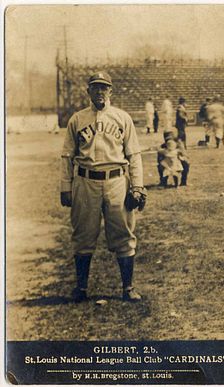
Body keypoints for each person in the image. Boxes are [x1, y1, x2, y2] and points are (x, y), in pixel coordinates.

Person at [60, 71, 146, 303]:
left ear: (111, 91)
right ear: (88, 91)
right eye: (95, 87)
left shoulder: (122, 117)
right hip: (85, 181)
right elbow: (67, 155)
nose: (100, 91)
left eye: (104, 87)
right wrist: (65, 186)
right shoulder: (77, 119)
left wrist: (137, 186)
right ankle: (81, 288)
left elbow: (134, 155)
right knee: (83, 234)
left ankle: (128, 288)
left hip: (117, 181)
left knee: (124, 234)